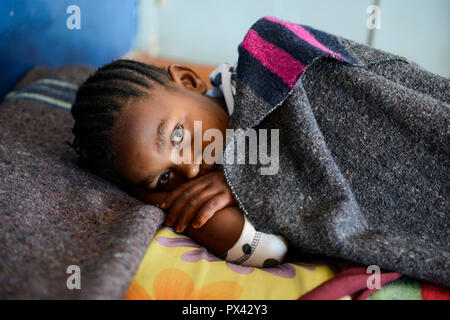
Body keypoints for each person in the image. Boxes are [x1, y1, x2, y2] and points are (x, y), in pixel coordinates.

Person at [67, 59, 288, 268]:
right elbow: (269, 249)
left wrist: (245, 177)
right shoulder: (213, 181)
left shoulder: (271, 81)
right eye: (164, 176)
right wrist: (157, 197)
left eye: (178, 136)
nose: (191, 170)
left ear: (188, 81)